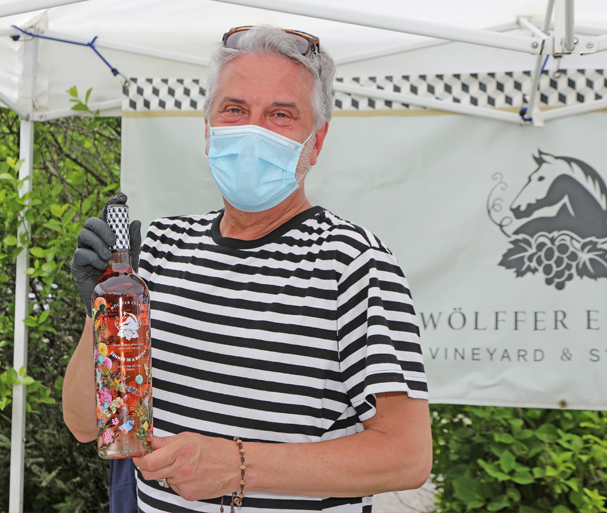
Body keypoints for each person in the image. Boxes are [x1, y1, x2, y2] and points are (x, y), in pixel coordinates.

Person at [63, 25, 431, 513]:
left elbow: (406, 457)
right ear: (209, 126)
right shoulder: (158, 249)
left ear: (316, 142)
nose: (252, 130)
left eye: (280, 114)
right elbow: (86, 423)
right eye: (235, 109)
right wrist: (105, 314)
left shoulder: (354, 263)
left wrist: (238, 466)